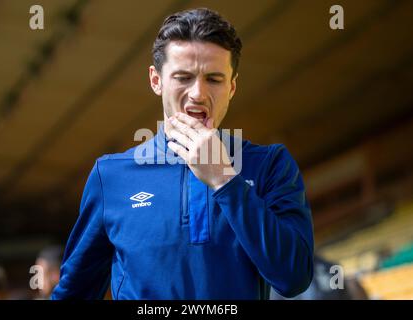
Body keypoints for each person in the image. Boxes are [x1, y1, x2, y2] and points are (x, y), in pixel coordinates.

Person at [52, 8, 314, 300]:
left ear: (232, 87)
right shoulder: (111, 177)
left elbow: (294, 278)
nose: (198, 93)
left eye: (214, 79)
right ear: (156, 80)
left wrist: (224, 179)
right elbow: (73, 293)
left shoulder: (269, 164)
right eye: (183, 77)